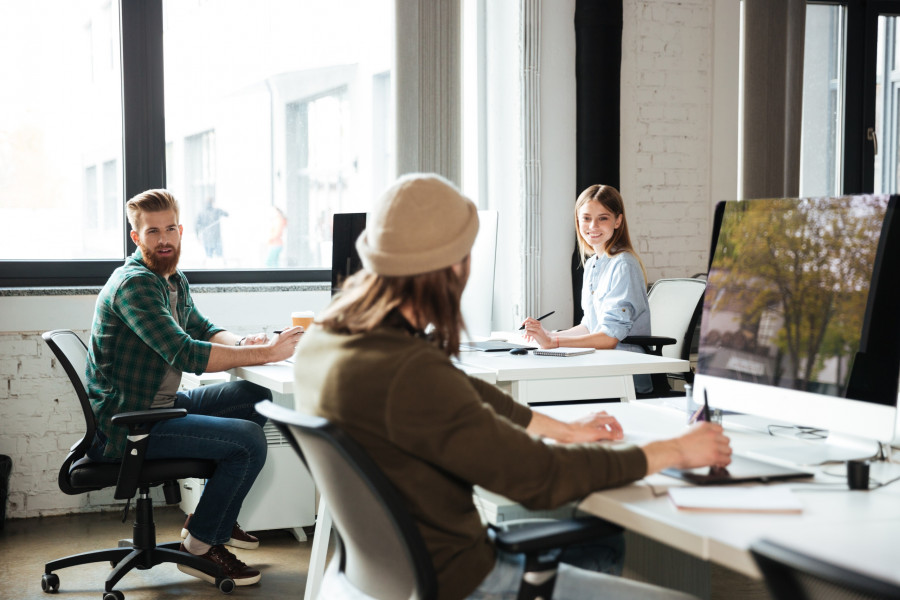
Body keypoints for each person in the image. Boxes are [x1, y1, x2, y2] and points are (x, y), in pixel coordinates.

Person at [291, 173, 732, 600]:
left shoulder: (326, 341)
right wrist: (673, 451)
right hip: (465, 581)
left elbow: (462, 390)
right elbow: (543, 478)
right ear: (454, 265)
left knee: (601, 542)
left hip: (375, 579)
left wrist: (566, 429)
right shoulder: (410, 373)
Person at [85, 189, 304, 587]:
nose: (164, 239)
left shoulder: (171, 278)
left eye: (170, 229)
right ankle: (200, 547)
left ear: (182, 230)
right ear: (136, 238)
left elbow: (202, 329)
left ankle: (206, 521)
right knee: (249, 441)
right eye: (153, 232)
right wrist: (268, 354)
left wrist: (244, 344)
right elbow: (185, 353)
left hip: (158, 404)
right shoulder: (136, 285)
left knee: (253, 398)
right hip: (130, 423)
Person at [523, 184, 653, 393]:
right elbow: (590, 326)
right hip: (599, 366)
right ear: (578, 220)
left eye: (603, 218)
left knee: (541, 392)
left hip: (622, 376)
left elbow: (609, 338)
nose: (593, 226)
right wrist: (547, 335)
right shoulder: (593, 264)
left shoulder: (624, 265)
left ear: (617, 220)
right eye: (586, 218)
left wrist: (554, 342)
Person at [194, 197, 229, 262]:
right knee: (218, 257)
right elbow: (227, 214)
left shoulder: (201, 212)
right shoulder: (216, 211)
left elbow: (196, 226)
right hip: (216, 238)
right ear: (212, 202)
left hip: (207, 239)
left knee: (209, 257)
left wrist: (197, 236)